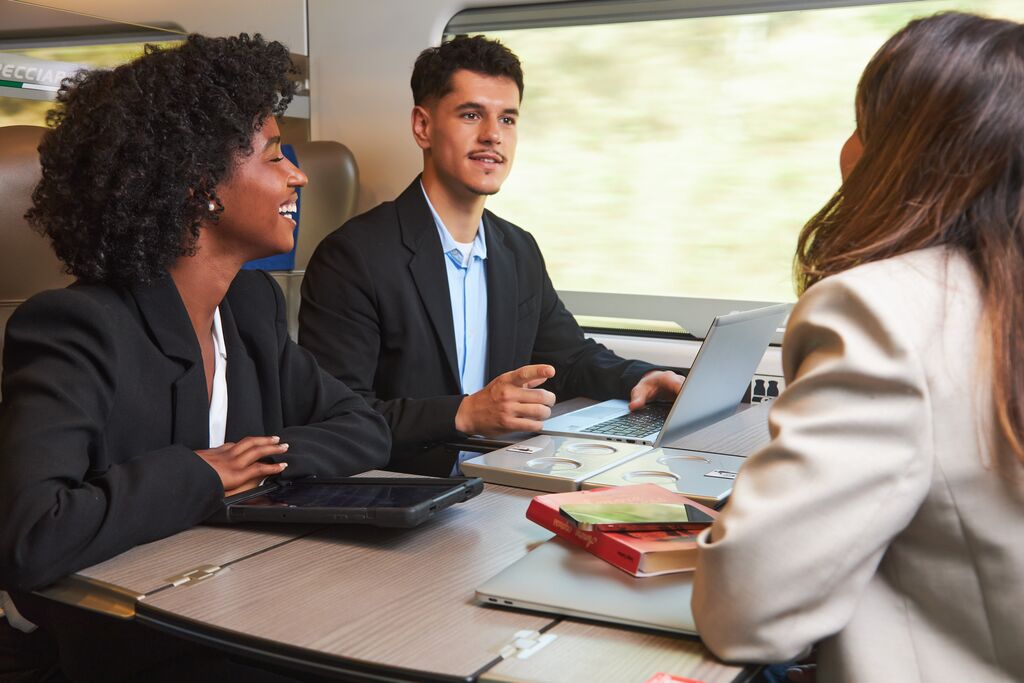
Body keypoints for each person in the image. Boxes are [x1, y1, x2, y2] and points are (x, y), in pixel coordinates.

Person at [0, 34, 390, 679]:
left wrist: (252, 466)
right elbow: (32, 533)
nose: (298, 175)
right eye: (273, 156)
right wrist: (204, 474)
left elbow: (362, 429)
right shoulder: (77, 327)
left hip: (240, 596)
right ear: (198, 184)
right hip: (129, 635)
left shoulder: (249, 307)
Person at [691, 12, 1024, 682]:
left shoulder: (882, 310)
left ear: (907, 150)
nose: (845, 149)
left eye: (863, 123)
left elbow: (746, 610)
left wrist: (737, 526)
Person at [299, 35, 684, 470]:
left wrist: (643, 377)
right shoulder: (352, 258)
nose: (492, 136)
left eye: (507, 119)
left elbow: (570, 359)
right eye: (470, 115)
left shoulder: (517, 249)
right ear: (422, 127)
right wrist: (465, 414)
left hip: (503, 475)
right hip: (408, 489)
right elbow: (337, 419)